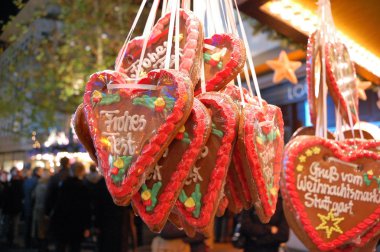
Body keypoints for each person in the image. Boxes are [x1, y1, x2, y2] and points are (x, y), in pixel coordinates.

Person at [50, 162, 91, 252]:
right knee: (75, 246)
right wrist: (87, 226)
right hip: (77, 223)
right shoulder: (83, 187)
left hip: (63, 221)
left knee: (61, 246)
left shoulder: (64, 185)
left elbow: (58, 204)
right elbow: (86, 209)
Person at [94, 177, 137, 252]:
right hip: (121, 220)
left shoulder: (101, 183)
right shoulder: (123, 181)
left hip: (105, 222)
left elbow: (97, 206)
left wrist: (97, 224)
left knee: (106, 245)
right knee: (120, 244)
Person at [3, 167, 24, 247]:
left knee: (12, 225)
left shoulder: (10, 183)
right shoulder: (15, 183)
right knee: (13, 225)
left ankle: (10, 239)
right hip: (14, 207)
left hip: (12, 208)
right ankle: (12, 240)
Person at [23, 166, 42, 248]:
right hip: (33, 206)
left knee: (28, 225)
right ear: (37, 172)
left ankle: (27, 242)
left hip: (27, 206)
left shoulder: (27, 181)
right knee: (33, 226)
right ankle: (32, 243)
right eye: (41, 171)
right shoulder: (37, 181)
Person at [32, 168, 50, 252]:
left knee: (39, 229)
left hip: (37, 208)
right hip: (44, 209)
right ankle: (43, 247)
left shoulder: (38, 185)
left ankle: (40, 247)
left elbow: (33, 197)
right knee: (44, 229)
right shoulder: (47, 187)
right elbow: (47, 199)